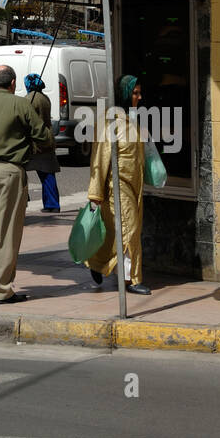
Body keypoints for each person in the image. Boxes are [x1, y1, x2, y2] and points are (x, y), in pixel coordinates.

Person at [0, 63, 55, 304]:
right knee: (8, 231)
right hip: (10, 172)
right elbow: (44, 137)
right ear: (13, 83)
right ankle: (2, 288)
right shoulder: (21, 105)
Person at [85, 74, 151, 295]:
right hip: (118, 186)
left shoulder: (131, 119)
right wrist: (95, 193)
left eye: (139, 93)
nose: (139, 98)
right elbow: (100, 157)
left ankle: (96, 263)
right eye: (135, 93)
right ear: (125, 94)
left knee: (117, 233)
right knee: (129, 231)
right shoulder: (110, 122)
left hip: (135, 187)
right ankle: (131, 278)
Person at [23, 72, 61, 212]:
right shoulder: (44, 98)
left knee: (21, 171)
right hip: (47, 140)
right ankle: (52, 203)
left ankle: (24, 200)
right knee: (47, 174)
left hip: (35, 143)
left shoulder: (30, 99)